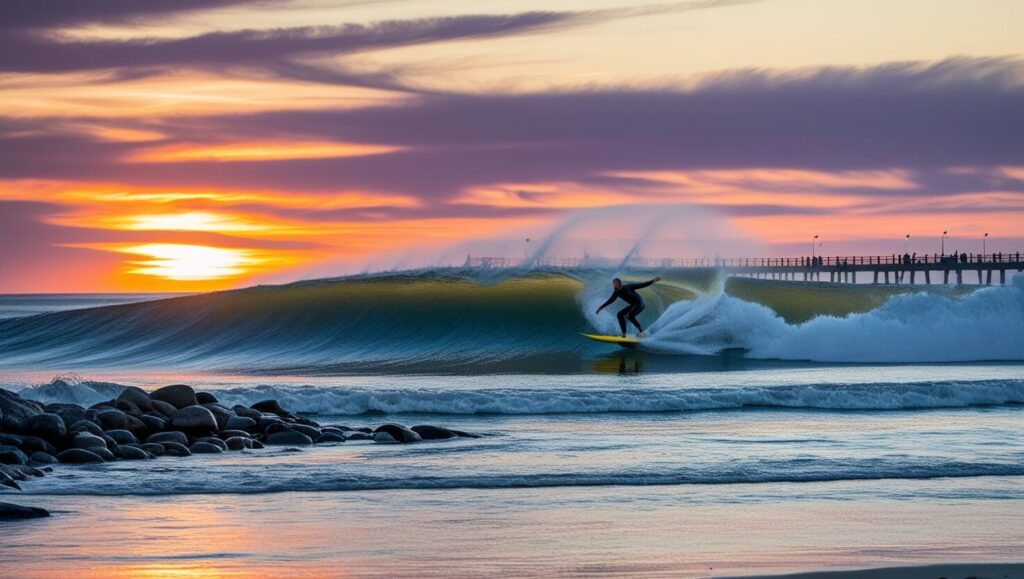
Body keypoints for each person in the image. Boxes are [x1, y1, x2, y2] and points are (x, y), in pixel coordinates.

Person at [596, 276, 662, 337]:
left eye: (617, 283)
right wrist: (600, 308)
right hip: (633, 305)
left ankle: (642, 332)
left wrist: (653, 281)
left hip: (640, 304)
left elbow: (641, 285)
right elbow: (610, 300)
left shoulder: (628, 287)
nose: (615, 285)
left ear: (620, 283)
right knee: (619, 314)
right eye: (614, 284)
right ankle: (624, 333)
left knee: (630, 316)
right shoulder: (616, 292)